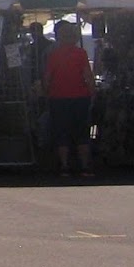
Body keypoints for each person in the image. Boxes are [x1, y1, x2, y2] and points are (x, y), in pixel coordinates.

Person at [43, 19, 94, 177]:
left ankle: (64, 166)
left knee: (61, 132)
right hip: (80, 97)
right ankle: (84, 166)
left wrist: (46, 92)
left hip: (58, 97)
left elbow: (47, 78)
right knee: (81, 132)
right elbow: (87, 76)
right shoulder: (81, 53)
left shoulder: (54, 55)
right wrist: (93, 93)